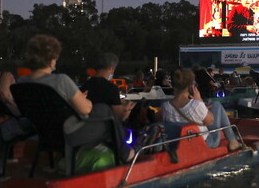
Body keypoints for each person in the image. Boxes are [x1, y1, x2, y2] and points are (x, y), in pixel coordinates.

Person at [18, 35, 134, 163]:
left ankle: (123, 152)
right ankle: (124, 153)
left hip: (43, 134)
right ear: (52, 59)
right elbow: (87, 109)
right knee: (104, 110)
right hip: (69, 135)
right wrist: (81, 99)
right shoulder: (60, 80)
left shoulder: (21, 83)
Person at [160, 69, 242, 151]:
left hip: (178, 143)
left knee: (211, 105)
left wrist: (202, 107)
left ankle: (233, 141)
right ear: (191, 85)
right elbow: (210, 121)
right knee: (216, 105)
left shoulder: (165, 106)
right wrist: (199, 100)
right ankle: (233, 142)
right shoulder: (196, 105)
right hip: (206, 142)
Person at [80, 52, 135, 122]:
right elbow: (119, 116)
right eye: (113, 70)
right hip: (105, 129)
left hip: (87, 127)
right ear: (110, 68)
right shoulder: (111, 88)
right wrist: (127, 109)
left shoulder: (85, 85)